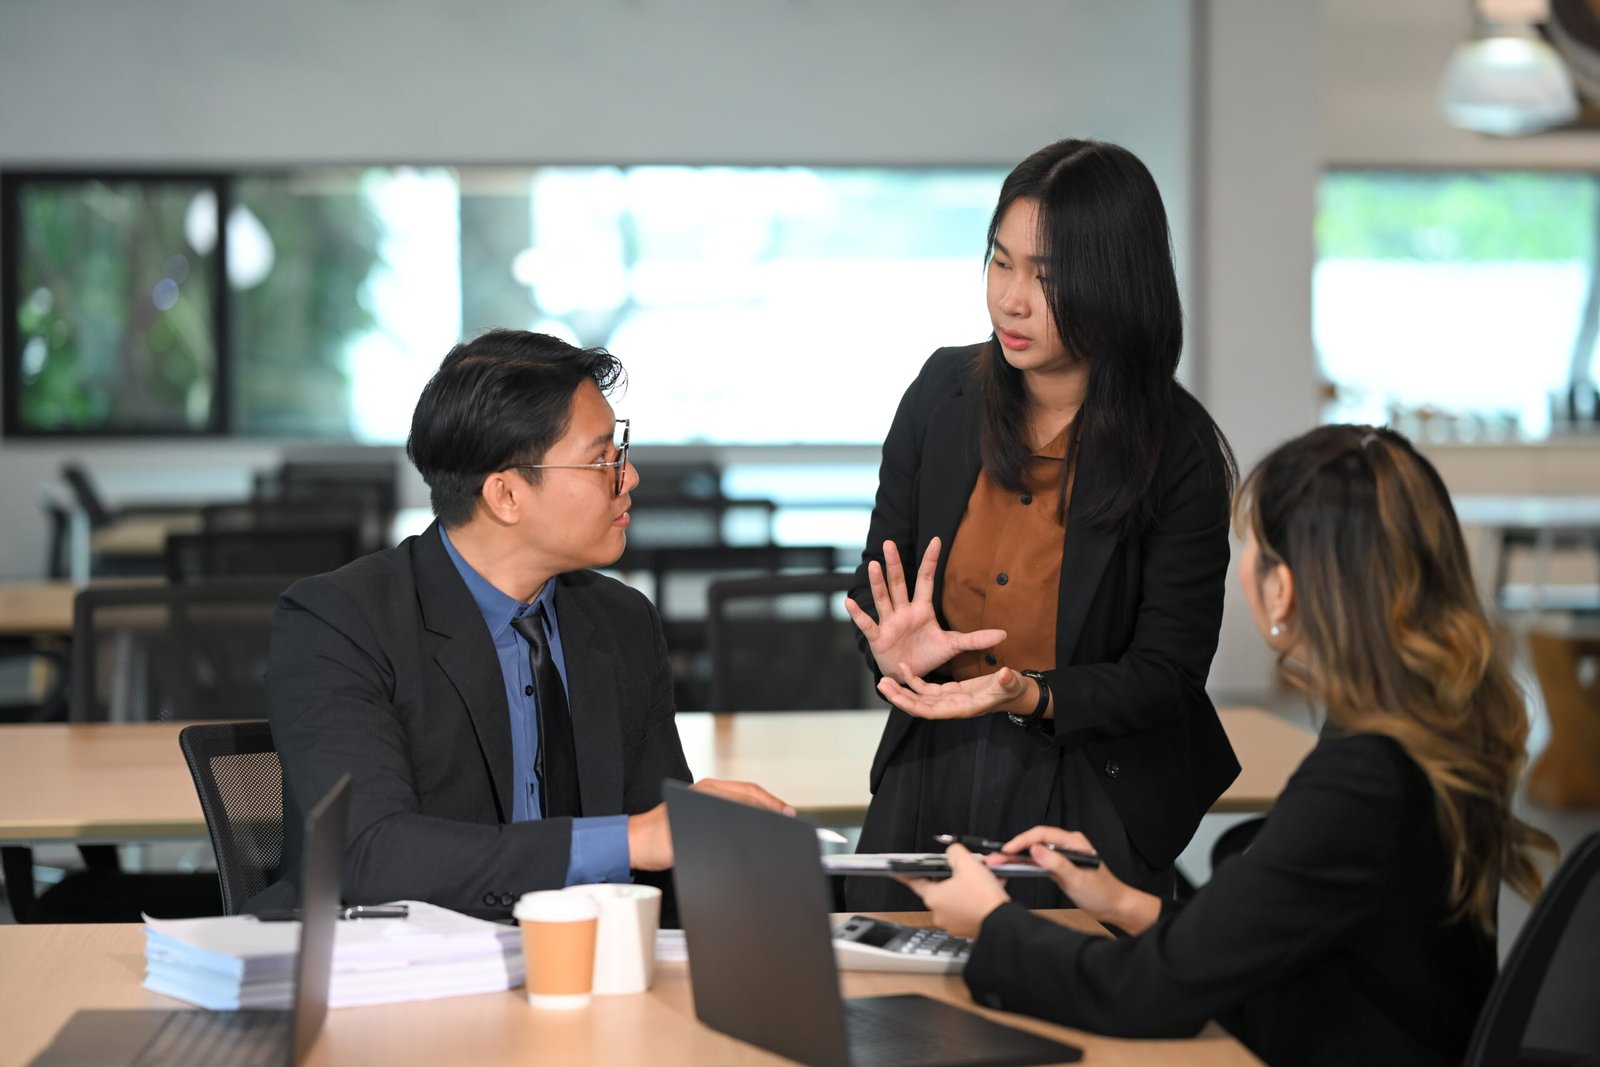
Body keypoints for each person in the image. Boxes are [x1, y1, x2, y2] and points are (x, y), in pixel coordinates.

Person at [900, 424, 1557, 1067]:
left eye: (1255, 546)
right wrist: (1118, 898)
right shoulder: (1425, 729)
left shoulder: (1366, 776)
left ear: (1283, 587)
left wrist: (992, 922)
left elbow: (1143, 993)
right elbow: (1268, 931)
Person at [252, 329, 788, 919]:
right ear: (506, 495)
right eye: (601, 458)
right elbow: (370, 856)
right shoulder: (341, 623)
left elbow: (664, 856)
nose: (628, 477)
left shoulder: (621, 622)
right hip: (401, 980)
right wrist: (631, 840)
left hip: (585, 974)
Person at [844, 138, 1238, 910]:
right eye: (1001, 262)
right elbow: (878, 582)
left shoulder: (1176, 447)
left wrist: (1030, 695)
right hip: (930, 768)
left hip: (1088, 791)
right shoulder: (940, 395)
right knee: (888, 1010)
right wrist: (891, 650)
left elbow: (1167, 675)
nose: (1011, 300)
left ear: (1116, 285)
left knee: (1072, 1011)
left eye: (1047, 278)